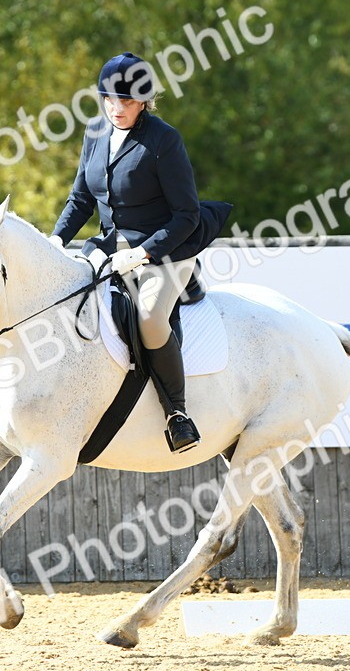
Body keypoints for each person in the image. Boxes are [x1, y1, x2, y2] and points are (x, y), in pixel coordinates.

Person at [51, 52, 227, 453]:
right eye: (109, 99)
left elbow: (187, 214)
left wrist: (144, 253)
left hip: (167, 246)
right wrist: (56, 241)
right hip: (110, 246)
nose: (116, 109)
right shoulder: (95, 132)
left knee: (149, 317)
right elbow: (81, 198)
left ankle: (177, 414)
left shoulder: (164, 140)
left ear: (144, 102)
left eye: (126, 101)